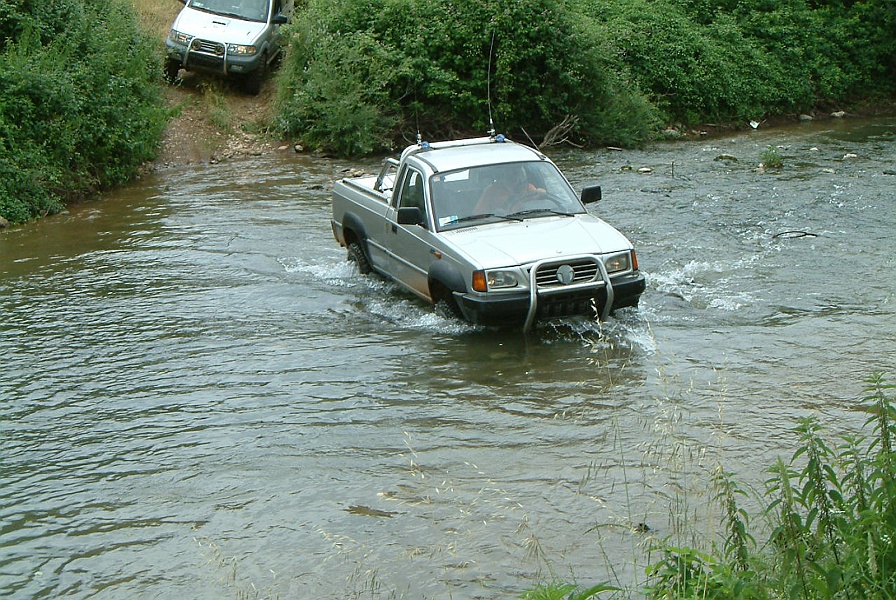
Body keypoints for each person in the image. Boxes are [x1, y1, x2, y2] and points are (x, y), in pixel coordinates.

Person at [474, 165, 545, 215]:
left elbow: (539, 200)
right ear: (503, 173)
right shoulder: (492, 190)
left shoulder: (528, 187)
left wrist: (541, 192)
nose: (513, 173)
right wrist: (493, 214)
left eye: (516, 170)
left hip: (527, 220)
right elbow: (479, 213)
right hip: (500, 223)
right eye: (509, 171)